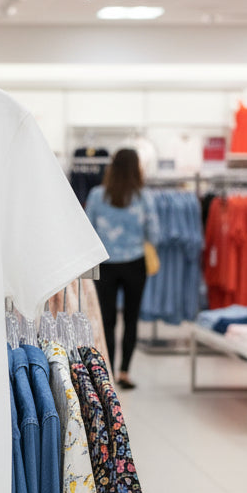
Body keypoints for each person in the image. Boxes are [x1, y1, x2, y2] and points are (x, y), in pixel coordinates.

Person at [84, 147, 159, 389]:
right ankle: (125, 372)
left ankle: (106, 372)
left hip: (105, 264)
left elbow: (87, 231)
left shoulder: (97, 195)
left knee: (106, 320)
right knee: (131, 318)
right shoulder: (143, 197)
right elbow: (154, 234)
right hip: (135, 263)